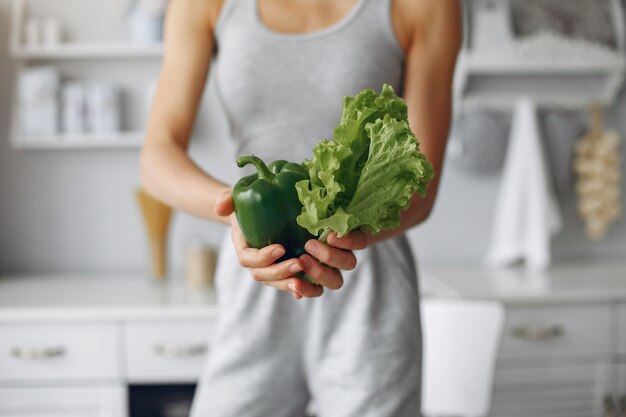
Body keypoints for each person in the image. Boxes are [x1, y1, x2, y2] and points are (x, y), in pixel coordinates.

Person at [140, 0, 461, 415]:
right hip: (257, 264)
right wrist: (235, 211)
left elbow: (421, 180)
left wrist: (339, 231)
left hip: (363, 272)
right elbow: (156, 156)